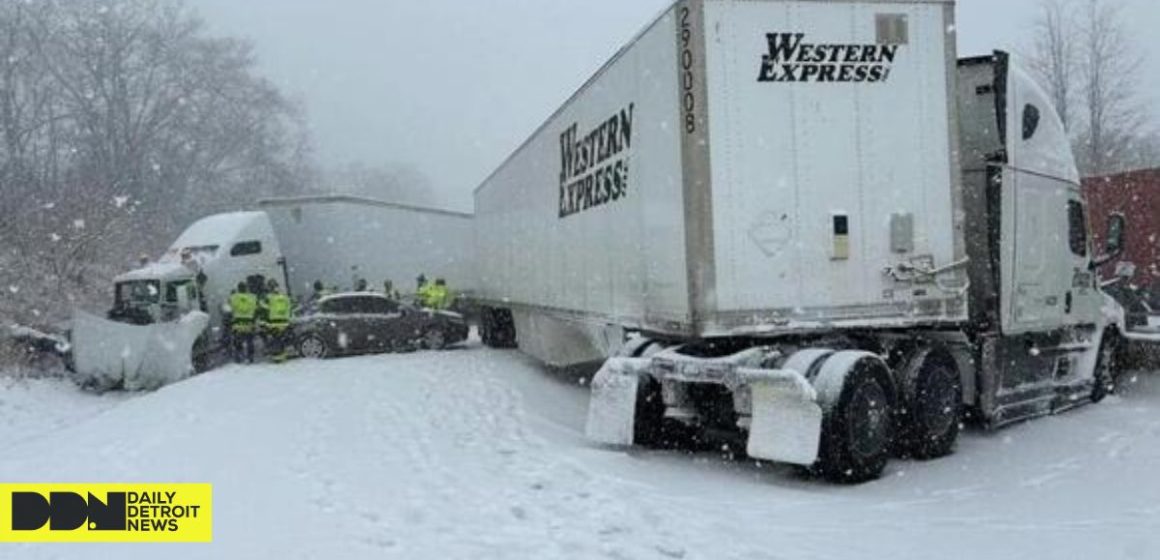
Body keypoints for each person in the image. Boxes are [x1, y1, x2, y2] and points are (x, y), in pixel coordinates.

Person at [261, 280, 293, 363]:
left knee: (275, 339)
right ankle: (282, 355)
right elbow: (290, 310)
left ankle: (277, 357)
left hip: (274, 323)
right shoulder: (285, 297)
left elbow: (264, 310)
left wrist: (263, 322)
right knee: (281, 339)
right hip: (285, 323)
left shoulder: (268, 298)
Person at [227, 282, 258, 363]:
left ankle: (238, 356)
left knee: (237, 341)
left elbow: (229, 306)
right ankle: (250, 356)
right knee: (249, 340)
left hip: (238, 322)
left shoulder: (234, 297)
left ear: (238, 288)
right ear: (246, 288)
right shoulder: (252, 297)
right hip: (249, 322)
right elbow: (256, 308)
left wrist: (232, 294)